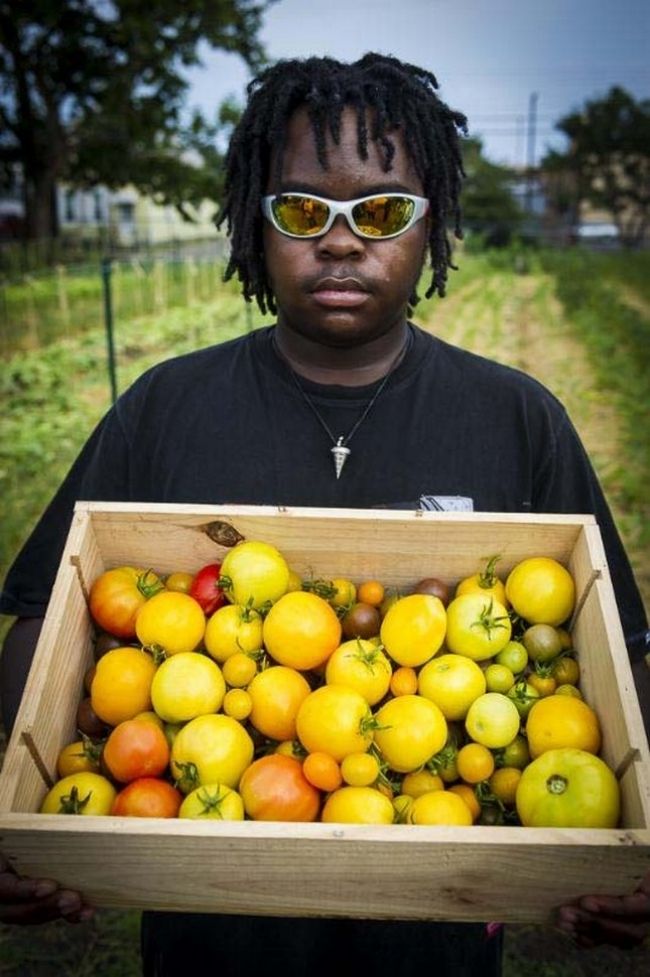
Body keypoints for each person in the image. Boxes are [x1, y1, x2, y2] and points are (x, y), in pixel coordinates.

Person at [1, 53, 649, 972]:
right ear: (253, 225)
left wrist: (630, 841)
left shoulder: (516, 418)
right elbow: (40, 616)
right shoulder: (165, 407)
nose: (342, 241)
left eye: (381, 211)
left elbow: (623, 656)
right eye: (303, 210)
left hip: (439, 936)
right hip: (211, 934)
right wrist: (30, 807)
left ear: (431, 227)